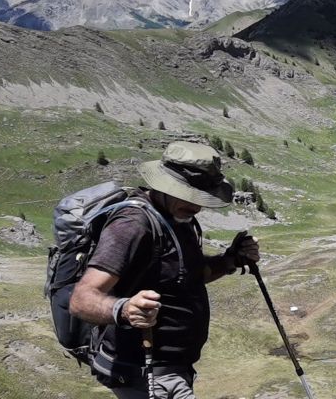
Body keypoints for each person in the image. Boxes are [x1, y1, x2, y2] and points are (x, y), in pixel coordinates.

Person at [69, 142, 260, 399]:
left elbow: (191, 276)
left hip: (175, 369)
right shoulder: (132, 225)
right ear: (163, 186)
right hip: (145, 372)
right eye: (189, 195)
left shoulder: (179, 218)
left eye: (201, 198)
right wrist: (124, 309)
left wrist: (230, 260)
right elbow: (81, 300)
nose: (197, 207)